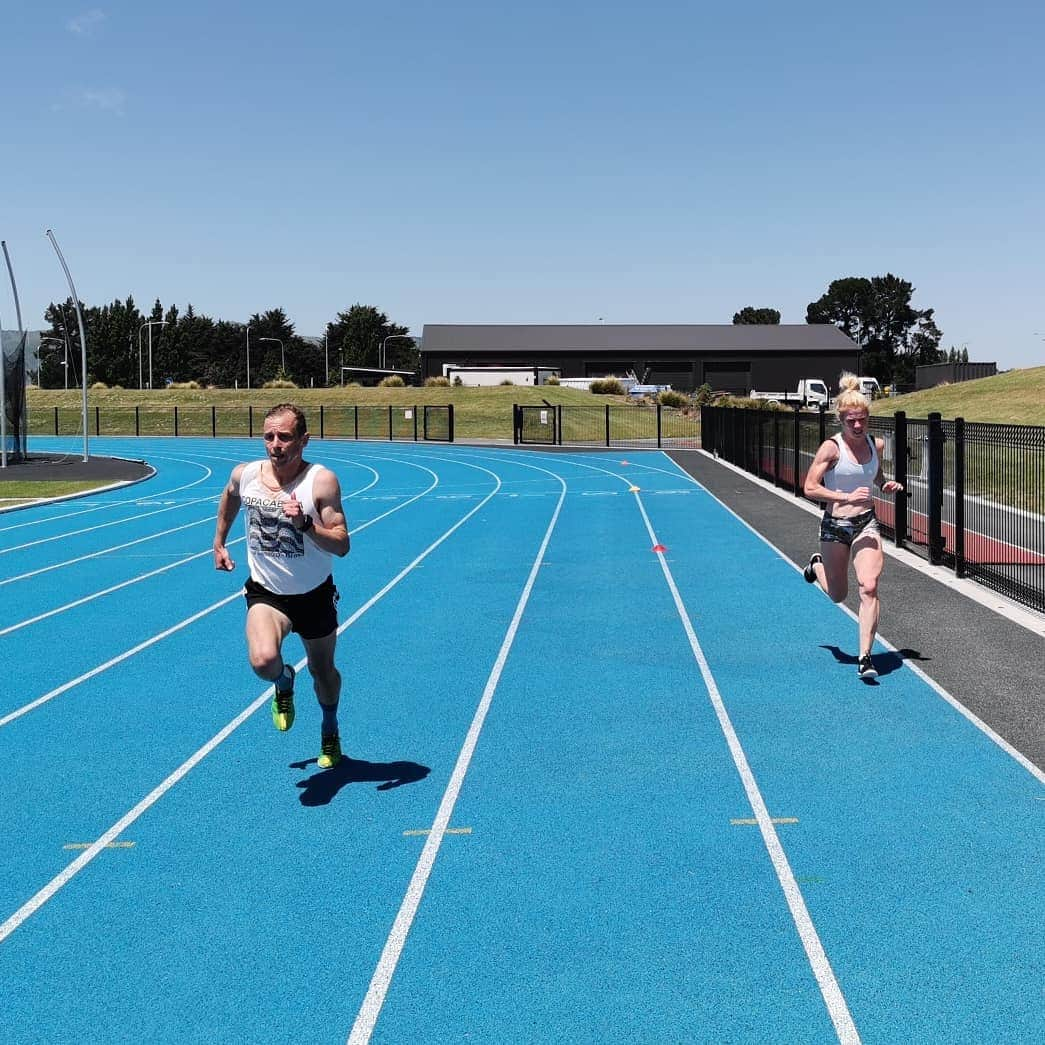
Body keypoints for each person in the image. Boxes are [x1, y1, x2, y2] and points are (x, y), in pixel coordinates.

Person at [213, 403, 350, 766]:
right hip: (267, 593)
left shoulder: (320, 481)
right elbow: (229, 495)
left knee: (323, 673)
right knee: (262, 661)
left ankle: (330, 729)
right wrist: (219, 541)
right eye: (269, 436)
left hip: (314, 594)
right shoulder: (246, 475)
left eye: (284, 437)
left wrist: (306, 524)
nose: (275, 444)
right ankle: (284, 680)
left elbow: (342, 543)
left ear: (303, 441)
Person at [802, 373, 904, 679]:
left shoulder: (877, 444)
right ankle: (816, 566)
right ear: (841, 420)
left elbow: (873, 474)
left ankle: (865, 658)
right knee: (837, 594)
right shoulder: (831, 449)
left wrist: (885, 484)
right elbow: (809, 487)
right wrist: (843, 495)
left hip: (866, 523)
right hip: (835, 525)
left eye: (862, 420)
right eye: (851, 421)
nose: (857, 427)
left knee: (869, 586)